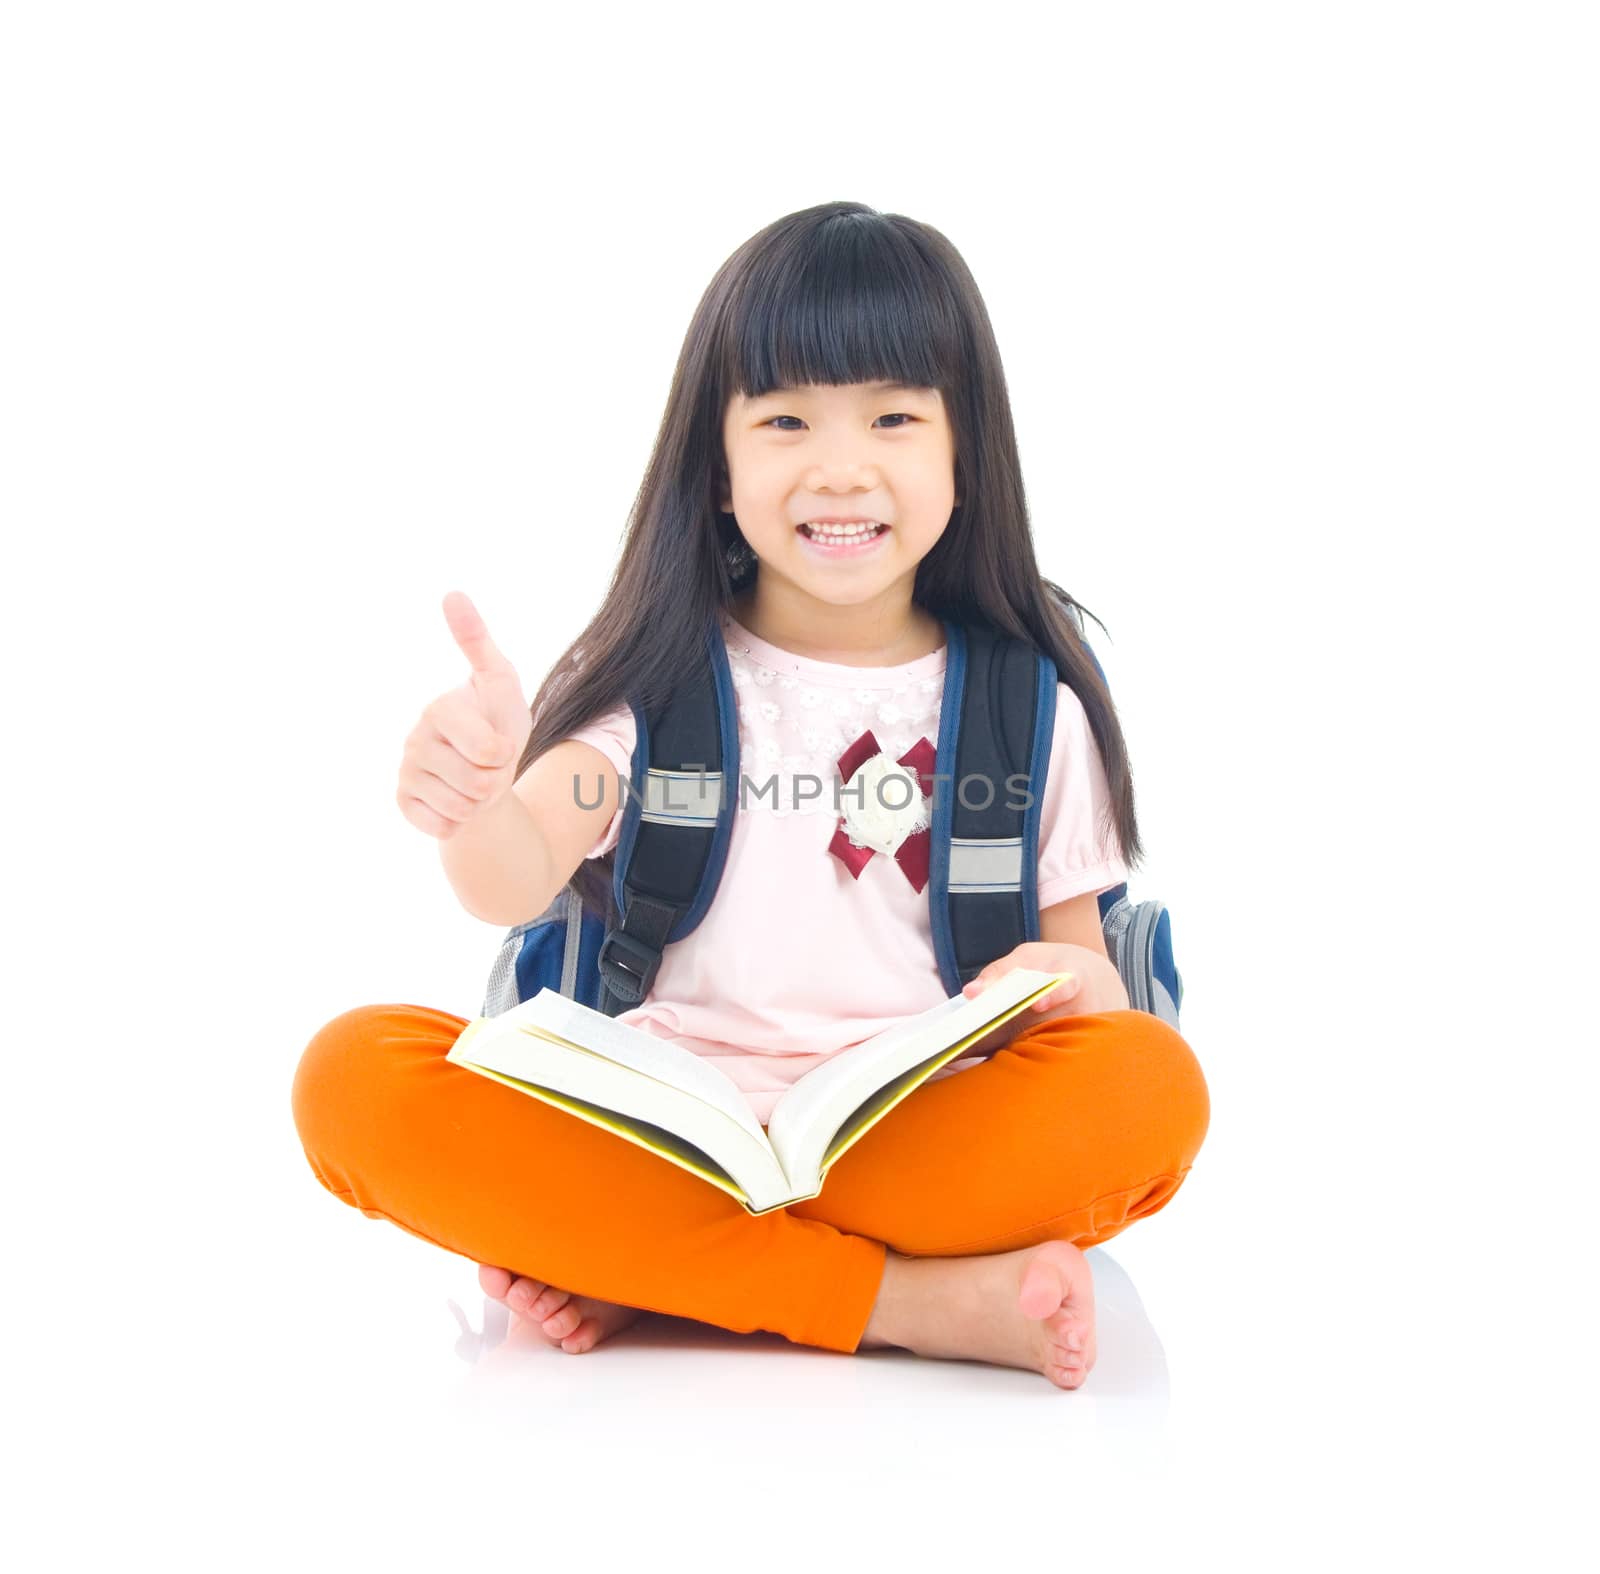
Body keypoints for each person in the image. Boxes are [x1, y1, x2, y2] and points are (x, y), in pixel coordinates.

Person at [291, 201, 1211, 1391]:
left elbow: (1082, 976)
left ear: (962, 455)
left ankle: (651, 1268)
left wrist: (1064, 985)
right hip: (662, 1127)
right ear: (717, 472)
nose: (840, 466)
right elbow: (511, 871)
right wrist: (477, 801)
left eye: (892, 416)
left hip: (911, 1129)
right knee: (349, 1075)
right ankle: (904, 1301)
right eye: (784, 421)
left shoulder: (1029, 708)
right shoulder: (657, 682)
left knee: (1150, 1087)